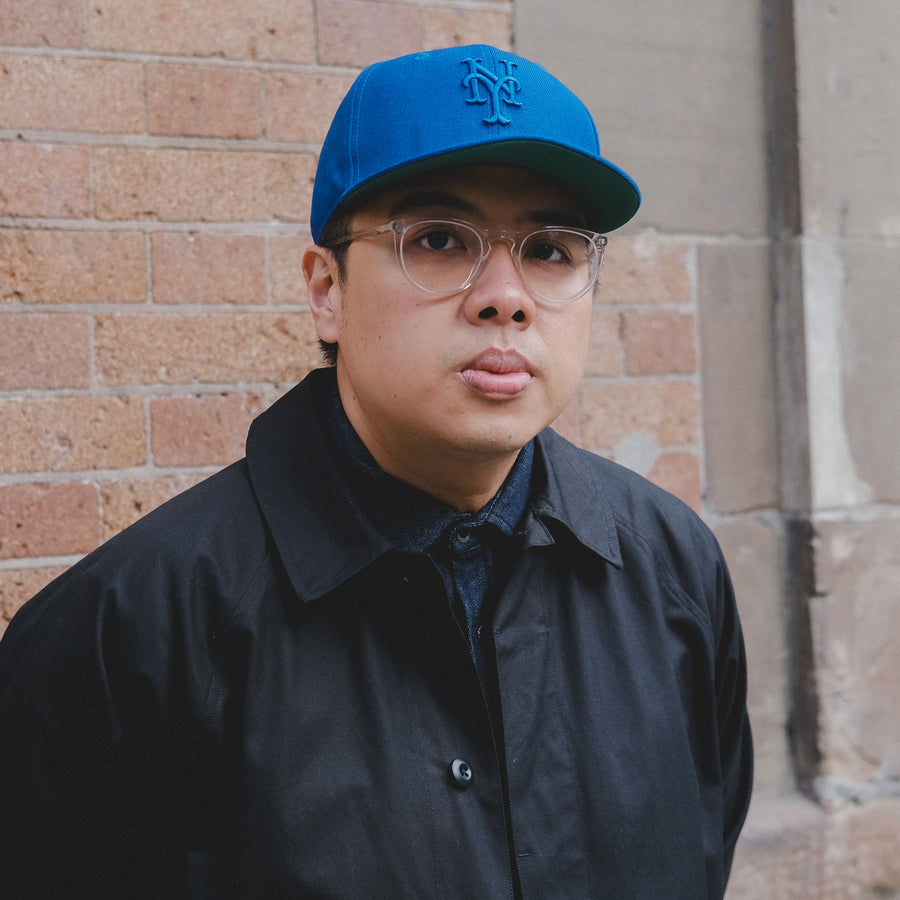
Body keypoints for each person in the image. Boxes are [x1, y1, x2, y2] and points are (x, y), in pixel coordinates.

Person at [0, 44, 752, 898]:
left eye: (550, 249)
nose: (504, 295)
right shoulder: (127, 635)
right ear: (328, 289)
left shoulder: (673, 572)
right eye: (438, 238)